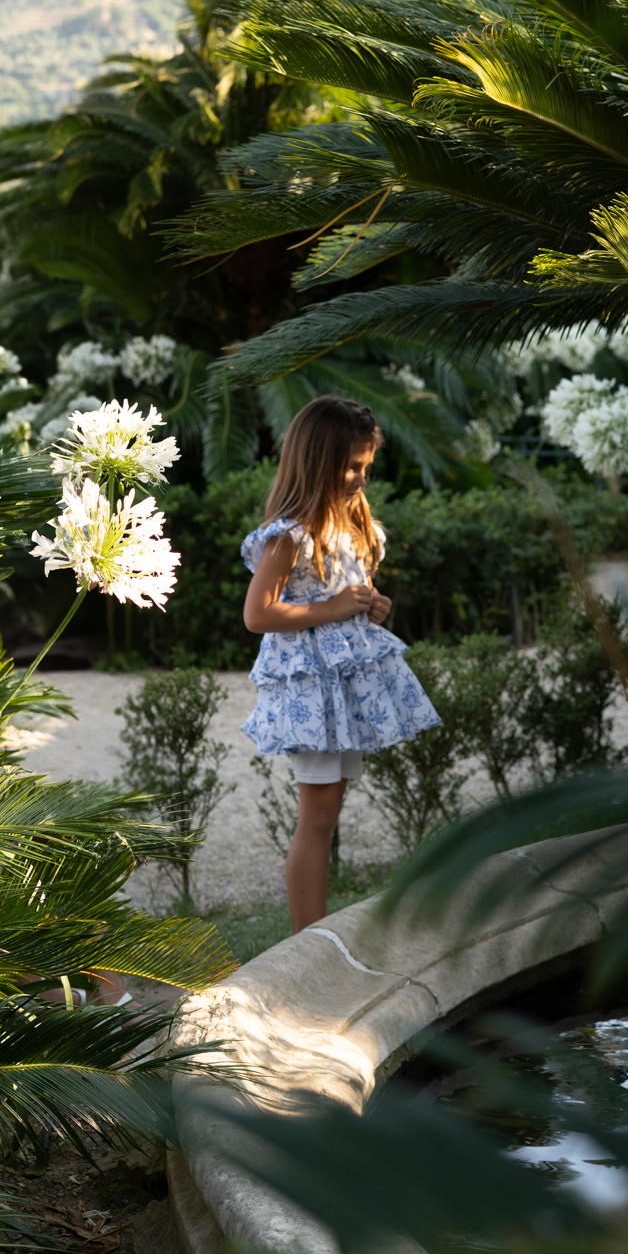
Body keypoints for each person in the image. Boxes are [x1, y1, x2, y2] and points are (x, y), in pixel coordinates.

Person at [240, 396, 441, 933]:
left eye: (365, 467)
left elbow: (348, 595)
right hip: (312, 694)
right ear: (317, 460)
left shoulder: (349, 526)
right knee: (319, 818)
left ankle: (314, 939)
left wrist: (372, 605)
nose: (359, 478)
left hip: (339, 694)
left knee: (327, 818)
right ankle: (307, 944)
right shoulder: (288, 536)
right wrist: (331, 608)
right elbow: (257, 614)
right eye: (352, 466)